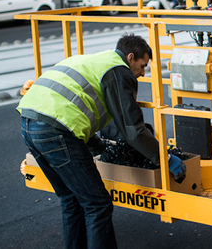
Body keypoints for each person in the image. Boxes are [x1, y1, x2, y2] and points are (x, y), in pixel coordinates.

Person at [18, 33, 185, 249]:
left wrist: (96, 145)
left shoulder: (94, 61)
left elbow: (76, 109)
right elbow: (132, 130)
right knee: (98, 204)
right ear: (130, 57)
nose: (143, 73)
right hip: (56, 132)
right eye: (142, 66)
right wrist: (166, 158)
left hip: (28, 123)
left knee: (71, 199)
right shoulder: (118, 71)